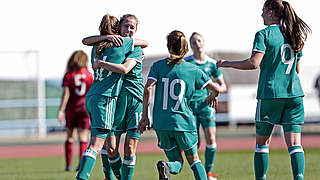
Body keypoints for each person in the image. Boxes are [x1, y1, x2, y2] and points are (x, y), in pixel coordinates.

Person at [216, 0, 311, 179]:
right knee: (295, 143)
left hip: (271, 94)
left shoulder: (263, 34)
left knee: (262, 143)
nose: (261, 15)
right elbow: (297, 69)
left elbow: (254, 63)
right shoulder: (294, 33)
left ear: (270, 12)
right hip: (295, 95)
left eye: (263, 11)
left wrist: (226, 63)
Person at [138, 30, 222, 180]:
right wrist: (212, 96)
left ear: (168, 46)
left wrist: (145, 116)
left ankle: (167, 166)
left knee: (176, 161)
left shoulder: (157, 66)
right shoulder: (194, 70)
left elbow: (148, 88)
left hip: (161, 123)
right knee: (194, 160)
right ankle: (169, 166)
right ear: (186, 49)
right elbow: (216, 88)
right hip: (183, 122)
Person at [81, 14, 146, 180]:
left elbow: (85, 40)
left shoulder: (99, 46)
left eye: (132, 27)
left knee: (128, 146)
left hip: (133, 100)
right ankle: (110, 176)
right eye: (125, 26)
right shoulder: (118, 44)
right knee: (108, 146)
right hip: (112, 98)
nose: (128, 30)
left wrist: (100, 62)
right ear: (118, 28)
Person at [185, 32, 227, 180]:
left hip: (206, 105)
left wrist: (213, 91)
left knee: (211, 138)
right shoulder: (186, 62)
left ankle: (208, 173)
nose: (198, 44)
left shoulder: (212, 64)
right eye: (194, 42)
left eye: (199, 41)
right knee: (195, 142)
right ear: (190, 45)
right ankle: (199, 172)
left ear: (203, 42)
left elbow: (223, 87)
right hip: (190, 107)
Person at [58, 50, 93, 172]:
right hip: (85, 109)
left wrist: (61, 110)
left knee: (70, 137)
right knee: (83, 138)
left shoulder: (69, 75)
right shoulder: (89, 75)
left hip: (71, 109)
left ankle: (68, 165)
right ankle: (81, 165)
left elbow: (66, 94)